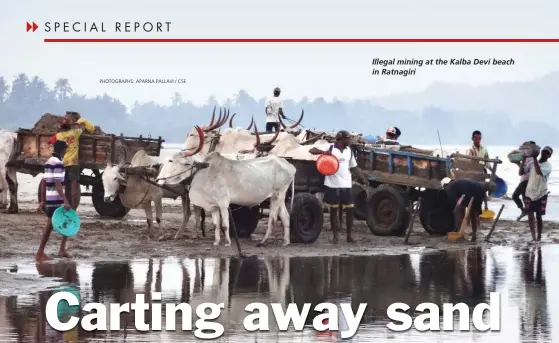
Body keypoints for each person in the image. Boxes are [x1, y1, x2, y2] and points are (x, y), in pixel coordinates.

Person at [309, 130, 367, 243]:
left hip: (346, 184)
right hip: (332, 184)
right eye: (348, 138)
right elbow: (312, 150)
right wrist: (323, 153)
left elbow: (353, 167)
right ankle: (335, 236)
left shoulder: (349, 151)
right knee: (334, 211)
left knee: (350, 210)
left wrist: (362, 178)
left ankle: (349, 236)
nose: (350, 140)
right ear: (341, 139)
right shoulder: (330, 147)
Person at [36, 140, 72, 261]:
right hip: (56, 200)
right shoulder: (58, 163)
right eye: (66, 149)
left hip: (50, 199)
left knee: (64, 221)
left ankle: (61, 249)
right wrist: (65, 201)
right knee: (54, 224)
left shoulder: (48, 162)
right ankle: (40, 252)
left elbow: (43, 182)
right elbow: (58, 185)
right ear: (63, 150)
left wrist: (42, 200)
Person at [51, 113, 95, 209]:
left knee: (67, 188)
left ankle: (66, 207)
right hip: (74, 163)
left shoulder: (59, 135)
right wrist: (80, 121)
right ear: (70, 125)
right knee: (74, 189)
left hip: (64, 162)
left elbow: (50, 141)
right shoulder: (76, 132)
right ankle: (73, 209)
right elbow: (87, 128)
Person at [441, 177, 496, 242]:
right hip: (477, 191)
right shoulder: (458, 183)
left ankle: (460, 231)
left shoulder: (451, 187)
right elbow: (482, 194)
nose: (445, 190)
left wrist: (457, 207)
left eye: (444, 188)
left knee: (461, 212)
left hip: (472, 193)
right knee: (473, 213)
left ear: (445, 185)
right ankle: (474, 233)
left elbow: (458, 200)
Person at [523, 146, 553, 242]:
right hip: (530, 192)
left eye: (547, 153)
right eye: (544, 151)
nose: (545, 153)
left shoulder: (548, 166)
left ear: (549, 156)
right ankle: (533, 237)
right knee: (530, 216)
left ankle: (539, 237)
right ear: (541, 152)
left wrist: (535, 158)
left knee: (538, 216)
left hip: (541, 193)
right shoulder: (532, 163)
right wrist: (523, 159)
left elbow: (538, 171)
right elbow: (521, 172)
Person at [513, 141, 536, 220]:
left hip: (526, 181)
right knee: (515, 196)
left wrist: (518, 163)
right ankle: (524, 211)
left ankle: (528, 215)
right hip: (523, 180)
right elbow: (523, 169)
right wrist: (517, 163)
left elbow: (524, 170)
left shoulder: (531, 158)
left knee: (525, 200)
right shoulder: (527, 157)